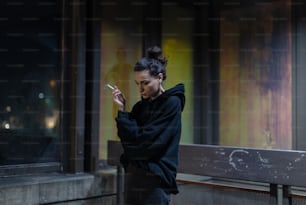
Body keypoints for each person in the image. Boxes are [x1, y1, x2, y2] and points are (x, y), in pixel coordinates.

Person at [111, 45, 185, 205]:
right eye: (137, 83)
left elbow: (145, 144)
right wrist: (122, 109)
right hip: (134, 175)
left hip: (155, 179)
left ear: (159, 77)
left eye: (145, 83)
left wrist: (133, 142)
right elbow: (128, 141)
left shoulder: (172, 103)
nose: (140, 88)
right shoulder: (140, 106)